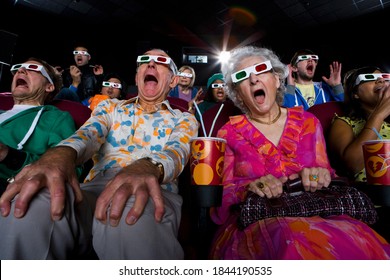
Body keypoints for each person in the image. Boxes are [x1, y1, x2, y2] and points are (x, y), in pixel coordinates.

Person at [0, 49, 199, 260]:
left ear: (173, 80)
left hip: (152, 189)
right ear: (137, 76)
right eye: (144, 60)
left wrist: (147, 167)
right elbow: (89, 134)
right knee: (32, 203)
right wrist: (59, 155)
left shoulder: (184, 119)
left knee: (131, 218)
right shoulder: (110, 107)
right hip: (93, 192)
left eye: (161, 61)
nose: (150, 64)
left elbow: (177, 151)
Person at [209, 45, 390, 259]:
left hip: (320, 212)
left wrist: (317, 176)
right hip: (260, 220)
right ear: (237, 92)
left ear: (277, 79)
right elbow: (222, 196)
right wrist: (250, 187)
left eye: (261, 70)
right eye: (242, 76)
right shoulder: (227, 132)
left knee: (361, 247)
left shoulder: (308, 122)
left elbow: (326, 175)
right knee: (292, 241)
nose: (254, 79)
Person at [0, 58, 77, 194]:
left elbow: (69, 168)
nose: (20, 70)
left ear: (49, 86)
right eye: (18, 68)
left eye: (32, 68)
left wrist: (8, 155)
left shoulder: (55, 118)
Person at [328, 66, 390, 182]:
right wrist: (379, 115)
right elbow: (353, 165)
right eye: (370, 77)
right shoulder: (343, 123)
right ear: (355, 93)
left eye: (384, 78)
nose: (381, 80)